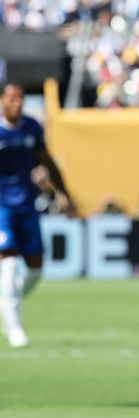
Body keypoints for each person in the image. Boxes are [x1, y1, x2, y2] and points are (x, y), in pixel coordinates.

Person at [0, 83, 76, 348]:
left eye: (20, 98)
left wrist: (65, 195)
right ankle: (14, 328)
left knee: (35, 269)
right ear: (2, 101)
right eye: (11, 99)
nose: (17, 103)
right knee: (8, 262)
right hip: (2, 209)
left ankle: (7, 300)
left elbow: (47, 161)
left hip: (27, 207)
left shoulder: (31, 127)